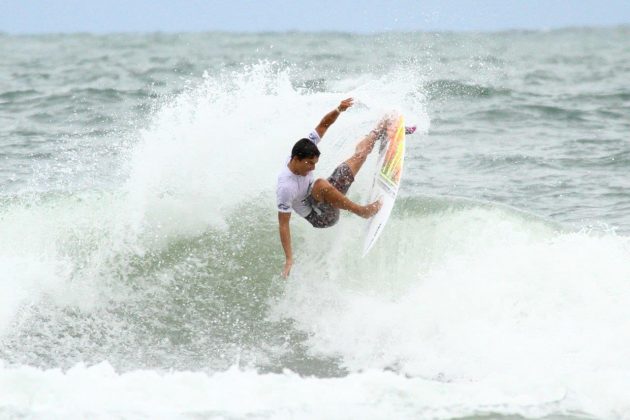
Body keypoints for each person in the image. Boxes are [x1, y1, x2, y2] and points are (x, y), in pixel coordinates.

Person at [276, 97, 388, 278]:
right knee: (320, 183)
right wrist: (289, 258)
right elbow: (283, 224)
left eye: (315, 163)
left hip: (323, 194)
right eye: (309, 164)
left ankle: (380, 130)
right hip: (320, 217)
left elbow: (323, 125)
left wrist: (338, 109)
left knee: (359, 156)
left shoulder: (305, 148)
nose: (312, 167)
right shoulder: (286, 187)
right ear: (295, 159)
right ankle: (362, 211)